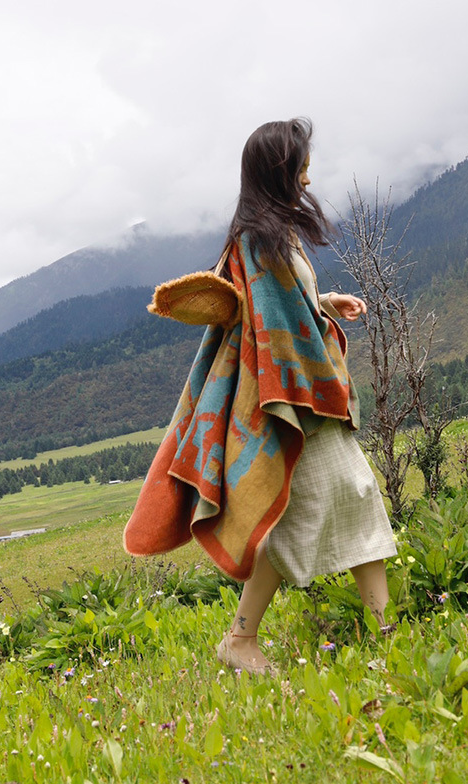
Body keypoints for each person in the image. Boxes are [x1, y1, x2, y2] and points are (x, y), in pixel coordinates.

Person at [124, 118, 397, 675]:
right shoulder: (256, 241)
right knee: (345, 493)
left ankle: (261, 637)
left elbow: (283, 307)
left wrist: (325, 303)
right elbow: (265, 323)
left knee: (317, 503)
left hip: (298, 395)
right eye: (300, 165)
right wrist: (306, 376)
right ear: (279, 170)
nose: (307, 174)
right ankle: (353, 633)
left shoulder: (272, 234)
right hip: (292, 400)